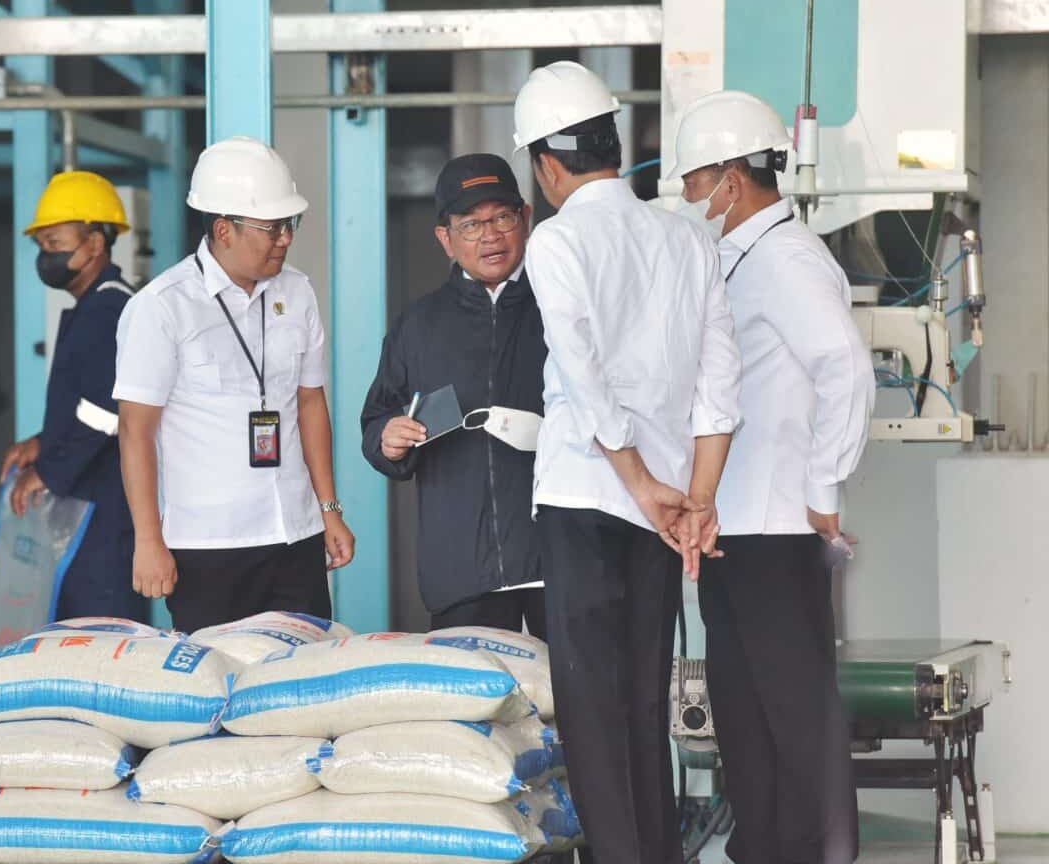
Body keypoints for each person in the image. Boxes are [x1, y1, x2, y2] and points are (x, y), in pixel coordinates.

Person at [512, 61, 741, 864]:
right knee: (645, 704)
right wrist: (695, 499)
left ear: (545, 164)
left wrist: (641, 484)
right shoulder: (687, 237)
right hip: (666, 509)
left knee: (594, 717)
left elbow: (582, 375)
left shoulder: (559, 238)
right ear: (613, 141)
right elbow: (720, 383)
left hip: (590, 497)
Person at [672, 90, 872, 864]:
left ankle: (821, 853)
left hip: (779, 525)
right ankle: (761, 847)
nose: (688, 198)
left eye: (692, 182)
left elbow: (846, 370)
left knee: (795, 715)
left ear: (729, 178)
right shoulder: (735, 253)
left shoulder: (787, 258)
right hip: (733, 526)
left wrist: (823, 492)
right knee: (744, 711)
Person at [113, 136, 355, 633]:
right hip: (208, 549)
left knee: (304, 685)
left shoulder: (298, 293)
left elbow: (310, 403)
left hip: (296, 535)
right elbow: (135, 431)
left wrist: (329, 510)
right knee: (221, 690)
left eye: (290, 224)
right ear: (223, 230)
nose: (286, 238)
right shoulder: (163, 307)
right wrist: (148, 540)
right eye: (272, 228)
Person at [360, 153, 549, 634]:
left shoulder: (561, 305)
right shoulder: (419, 326)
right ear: (445, 238)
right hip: (461, 569)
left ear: (526, 218)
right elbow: (376, 419)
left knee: (572, 704)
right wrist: (387, 437)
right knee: (472, 705)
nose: (490, 235)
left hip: (557, 562)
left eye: (502, 217)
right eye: (470, 225)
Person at [0, 170, 147, 623]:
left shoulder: (110, 307)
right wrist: (44, 440)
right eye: (42, 246)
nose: (47, 255)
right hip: (86, 505)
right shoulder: (90, 306)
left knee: (104, 637)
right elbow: (87, 401)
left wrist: (48, 470)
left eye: (57, 243)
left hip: (106, 511)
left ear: (96, 244)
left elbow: (110, 411)